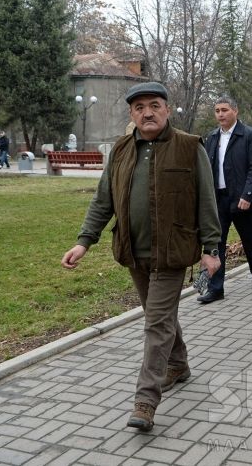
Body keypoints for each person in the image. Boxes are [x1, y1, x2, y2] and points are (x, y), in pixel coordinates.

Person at [61, 82, 221, 432]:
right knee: (158, 316)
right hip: (133, 251)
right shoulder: (121, 149)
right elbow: (103, 200)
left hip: (173, 252)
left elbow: (206, 201)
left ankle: (145, 402)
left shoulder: (189, 147)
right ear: (132, 114)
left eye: (154, 105)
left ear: (167, 109)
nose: (147, 113)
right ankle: (178, 364)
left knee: (156, 324)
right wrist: (84, 242)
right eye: (139, 108)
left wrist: (211, 249)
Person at [198, 96, 252, 303]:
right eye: (217, 110)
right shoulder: (212, 137)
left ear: (235, 111)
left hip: (241, 199)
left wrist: (247, 195)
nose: (220, 114)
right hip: (218, 199)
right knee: (216, 242)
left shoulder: (249, 135)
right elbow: (206, 167)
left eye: (224, 110)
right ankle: (216, 289)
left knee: (250, 239)